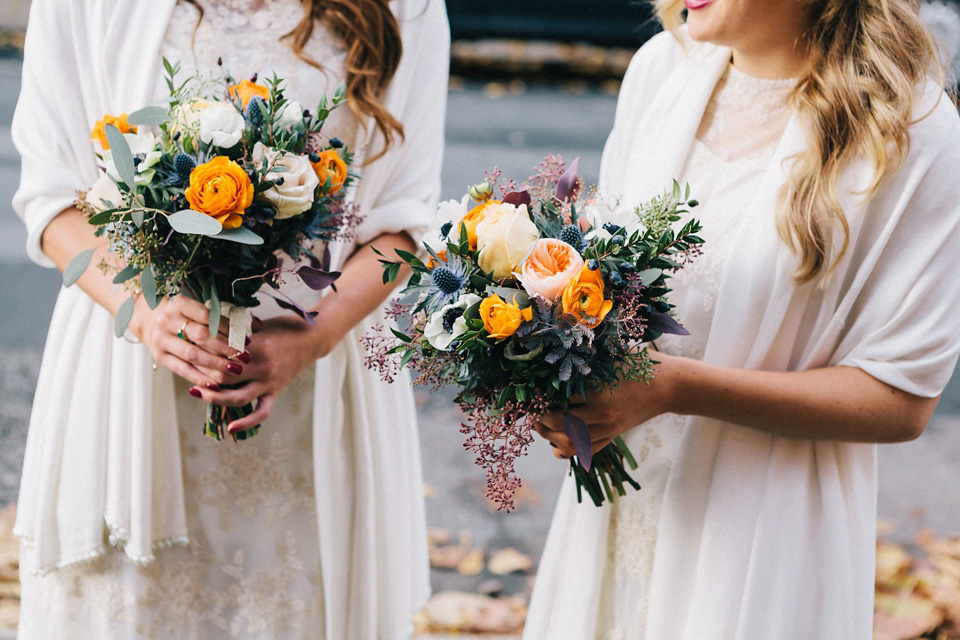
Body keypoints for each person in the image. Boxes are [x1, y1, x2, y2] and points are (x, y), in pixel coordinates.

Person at [11, 0, 448, 637]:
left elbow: (405, 223)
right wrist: (146, 314)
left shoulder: (407, 8)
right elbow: (53, 201)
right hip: (131, 384)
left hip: (308, 397)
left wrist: (314, 338)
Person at [526, 0, 960, 638]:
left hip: (765, 537)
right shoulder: (661, 70)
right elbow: (610, 287)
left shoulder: (913, 128)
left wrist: (673, 387)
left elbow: (902, 400)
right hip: (622, 510)